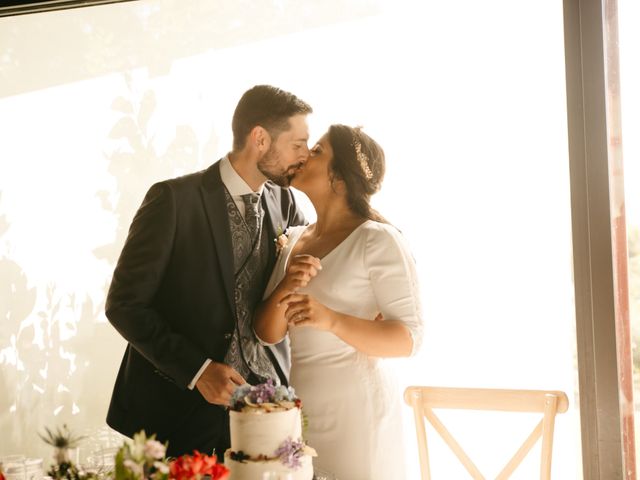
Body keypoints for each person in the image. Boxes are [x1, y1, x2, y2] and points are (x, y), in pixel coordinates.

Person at [105, 85, 312, 458]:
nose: (306, 154)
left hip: (265, 414)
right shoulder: (174, 201)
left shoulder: (289, 205)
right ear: (260, 139)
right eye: (298, 143)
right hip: (178, 414)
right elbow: (124, 305)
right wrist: (198, 371)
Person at [254, 124, 423, 480]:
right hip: (301, 413)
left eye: (317, 151)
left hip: (358, 414)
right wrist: (287, 284)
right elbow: (267, 333)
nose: (304, 155)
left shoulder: (377, 240)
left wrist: (330, 319)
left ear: (340, 179)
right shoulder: (296, 238)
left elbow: (408, 339)